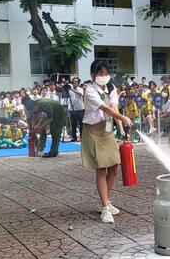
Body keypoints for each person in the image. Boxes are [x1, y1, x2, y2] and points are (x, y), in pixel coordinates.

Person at [81, 60, 132, 223]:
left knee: (114, 167)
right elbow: (105, 108)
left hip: (107, 130)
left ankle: (106, 201)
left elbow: (114, 108)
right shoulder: (89, 90)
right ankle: (104, 207)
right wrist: (123, 118)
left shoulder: (111, 88)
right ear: (92, 75)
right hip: (94, 131)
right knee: (101, 170)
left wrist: (122, 128)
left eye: (105, 73)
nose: (103, 77)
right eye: (99, 74)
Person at [67, 77, 85, 142]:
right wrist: (65, 89)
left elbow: (80, 94)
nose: (74, 82)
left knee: (81, 124)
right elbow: (64, 95)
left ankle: (82, 137)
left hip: (80, 109)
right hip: (72, 109)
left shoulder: (80, 89)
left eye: (75, 81)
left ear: (78, 83)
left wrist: (72, 89)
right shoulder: (69, 90)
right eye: (73, 81)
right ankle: (74, 137)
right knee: (73, 124)